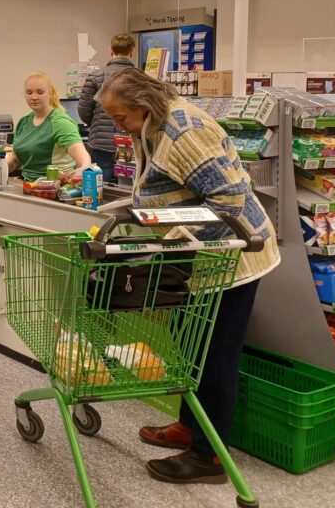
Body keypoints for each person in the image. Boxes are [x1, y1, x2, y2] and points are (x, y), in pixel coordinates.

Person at [98, 68, 280, 485]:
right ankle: (189, 424)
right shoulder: (153, 126)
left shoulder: (185, 132)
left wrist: (171, 244)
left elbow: (229, 202)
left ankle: (209, 456)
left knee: (215, 358)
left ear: (142, 107)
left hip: (233, 260)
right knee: (190, 347)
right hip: (197, 261)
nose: (117, 126)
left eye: (120, 117)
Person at [6, 71, 91, 181]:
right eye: (29, 92)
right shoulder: (23, 122)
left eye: (40, 92)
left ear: (50, 93)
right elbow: (16, 160)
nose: (34, 97)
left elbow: (82, 156)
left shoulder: (60, 122)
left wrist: (84, 168)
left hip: (53, 188)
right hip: (28, 185)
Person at [78, 32, 137, 183]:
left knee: (100, 185)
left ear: (111, 50)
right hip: (131, 143)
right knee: (128, 183)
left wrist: (97, 124)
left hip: (100, 142)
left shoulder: (95, 76)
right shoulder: (140, 77)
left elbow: (83, 110)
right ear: (132, 51)